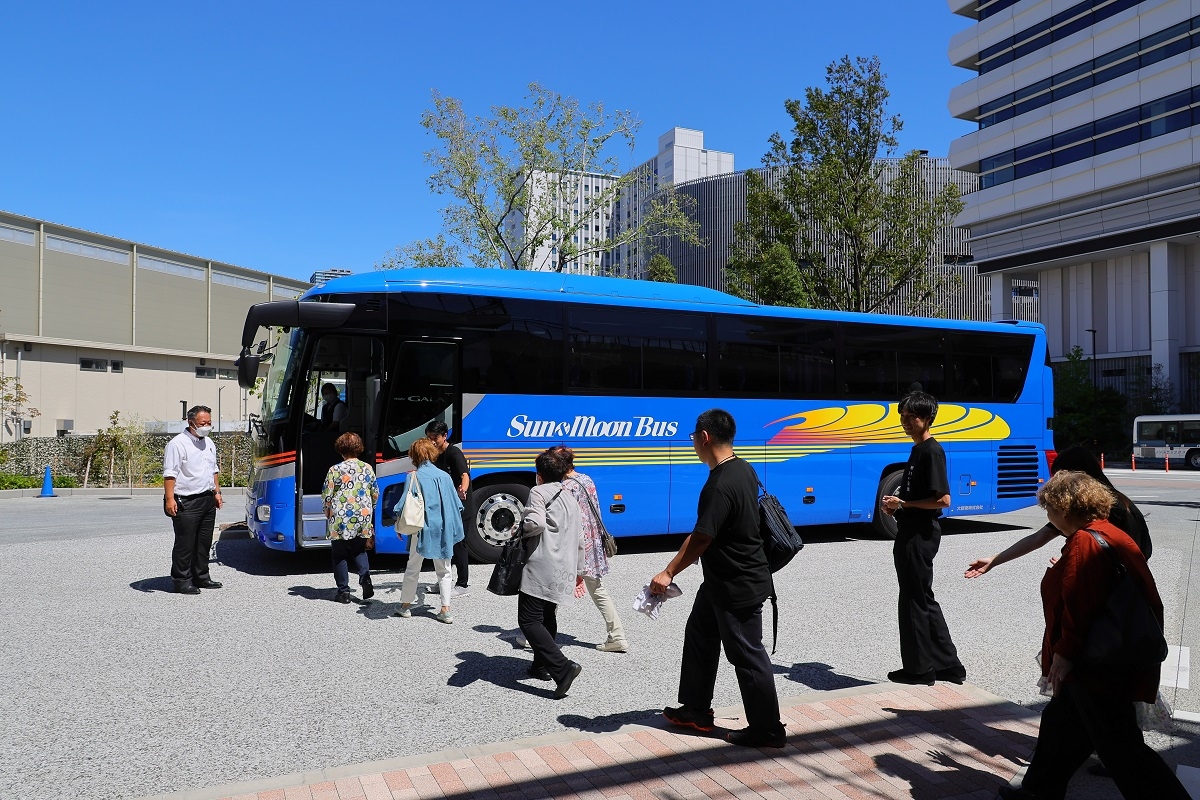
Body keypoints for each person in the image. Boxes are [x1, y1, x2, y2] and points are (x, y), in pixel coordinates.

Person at [996, 470, 1188, 800]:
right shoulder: (1108, 534)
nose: (1049, 516)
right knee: (1061, 727)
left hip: (1095, 664)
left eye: (1050, 509)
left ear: (1064, 509)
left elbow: (1079, 606)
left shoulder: (1086, 542)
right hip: (1107, 657)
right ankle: (1036, 792)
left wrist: (1063, 655)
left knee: (1123, 751)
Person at [650, 409, 785, 748]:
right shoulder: (743, 469)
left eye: (694, 437)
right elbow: (704, 532)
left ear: (705, 437)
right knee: (700, 633)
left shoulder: (719, 484)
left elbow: (702, 538)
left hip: (736, 583)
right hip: (723, 581)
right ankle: (695, 709)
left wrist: (668, 573)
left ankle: (768, 729)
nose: (693, 443)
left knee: (747, 654)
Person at [880, 390, 966, 686]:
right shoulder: (918, 449)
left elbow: (943, 500)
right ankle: (948, 666)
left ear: (927, 418)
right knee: (921, 598)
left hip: (920, 534)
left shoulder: (931, 450)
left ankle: (920, 670)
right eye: (902, 416)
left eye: (911, 417)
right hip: (911, 530)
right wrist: (898, 504)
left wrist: (903, 505)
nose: (905, 421)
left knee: (915, 600)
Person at [966, 445, 1151, 580]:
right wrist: (995, 560)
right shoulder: (1094, 505)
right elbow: (1041, 536)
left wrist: (1077, 567)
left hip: (1117, 597)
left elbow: (1129, 560)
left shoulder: (1110, 510)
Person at [518, 448, 586, 699]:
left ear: (539, 474)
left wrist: (521, 527)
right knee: (547, 614)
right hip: (564, 566)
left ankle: (562, 666)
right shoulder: (570, 496)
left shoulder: (537, 492)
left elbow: (535, 523)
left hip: (541, 563)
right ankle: (540, 665)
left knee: (528, 620)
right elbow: (580, 538)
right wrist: (579, 571)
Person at [555, 446, 628, 653]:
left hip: (577, 544)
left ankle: (538, 635)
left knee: (555, 589)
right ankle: (617, 636)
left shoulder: (566, 487)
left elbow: (568, 520)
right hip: (593, 543)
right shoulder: (586, 479)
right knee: (597, 590)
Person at [394, 437, 464, 623]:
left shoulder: (413, 476)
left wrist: (398, 524)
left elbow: (404, 504)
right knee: (445, 570)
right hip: (444, 528)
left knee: (413, 567)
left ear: (414, 455)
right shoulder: (445, 476)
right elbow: (456, 504)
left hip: (422, 528)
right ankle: (445, 609)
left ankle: (406, 606)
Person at [163, 405, 224, 594]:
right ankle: (182, 581)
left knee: (203, 542)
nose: (207, 426)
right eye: (202, 423)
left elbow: (213, 470)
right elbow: (170, 474)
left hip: (207, 498)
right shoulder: (177, 444)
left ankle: (202, 576)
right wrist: (169, 499)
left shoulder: (209, 443)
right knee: (185, 543)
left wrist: (217, 492)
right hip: (186, 501)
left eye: (209, 423)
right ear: (191, 423)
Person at [321, 432, 378, 603]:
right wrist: (369, 510)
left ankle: (344, 592)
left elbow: (327, 495)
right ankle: (365, 578)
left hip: (340, 517)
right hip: (363, 516)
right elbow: (375, 493)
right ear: (359, 448)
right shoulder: (367, 468)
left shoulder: (335, 470)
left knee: (339, 554)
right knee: (359, 550)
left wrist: (327, 511)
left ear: (340, 449)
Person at [426, 420, 471, 597]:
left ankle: (463, 585)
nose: (431, 441)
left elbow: (464, 475)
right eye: (429, 437)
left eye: (435, 437)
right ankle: (444, 581)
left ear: (445, 436)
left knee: (459, 544)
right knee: (444, 544)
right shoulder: (434, 453)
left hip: (461, 504)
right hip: (445, 504)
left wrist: (463, 489)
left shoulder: (454, 452)